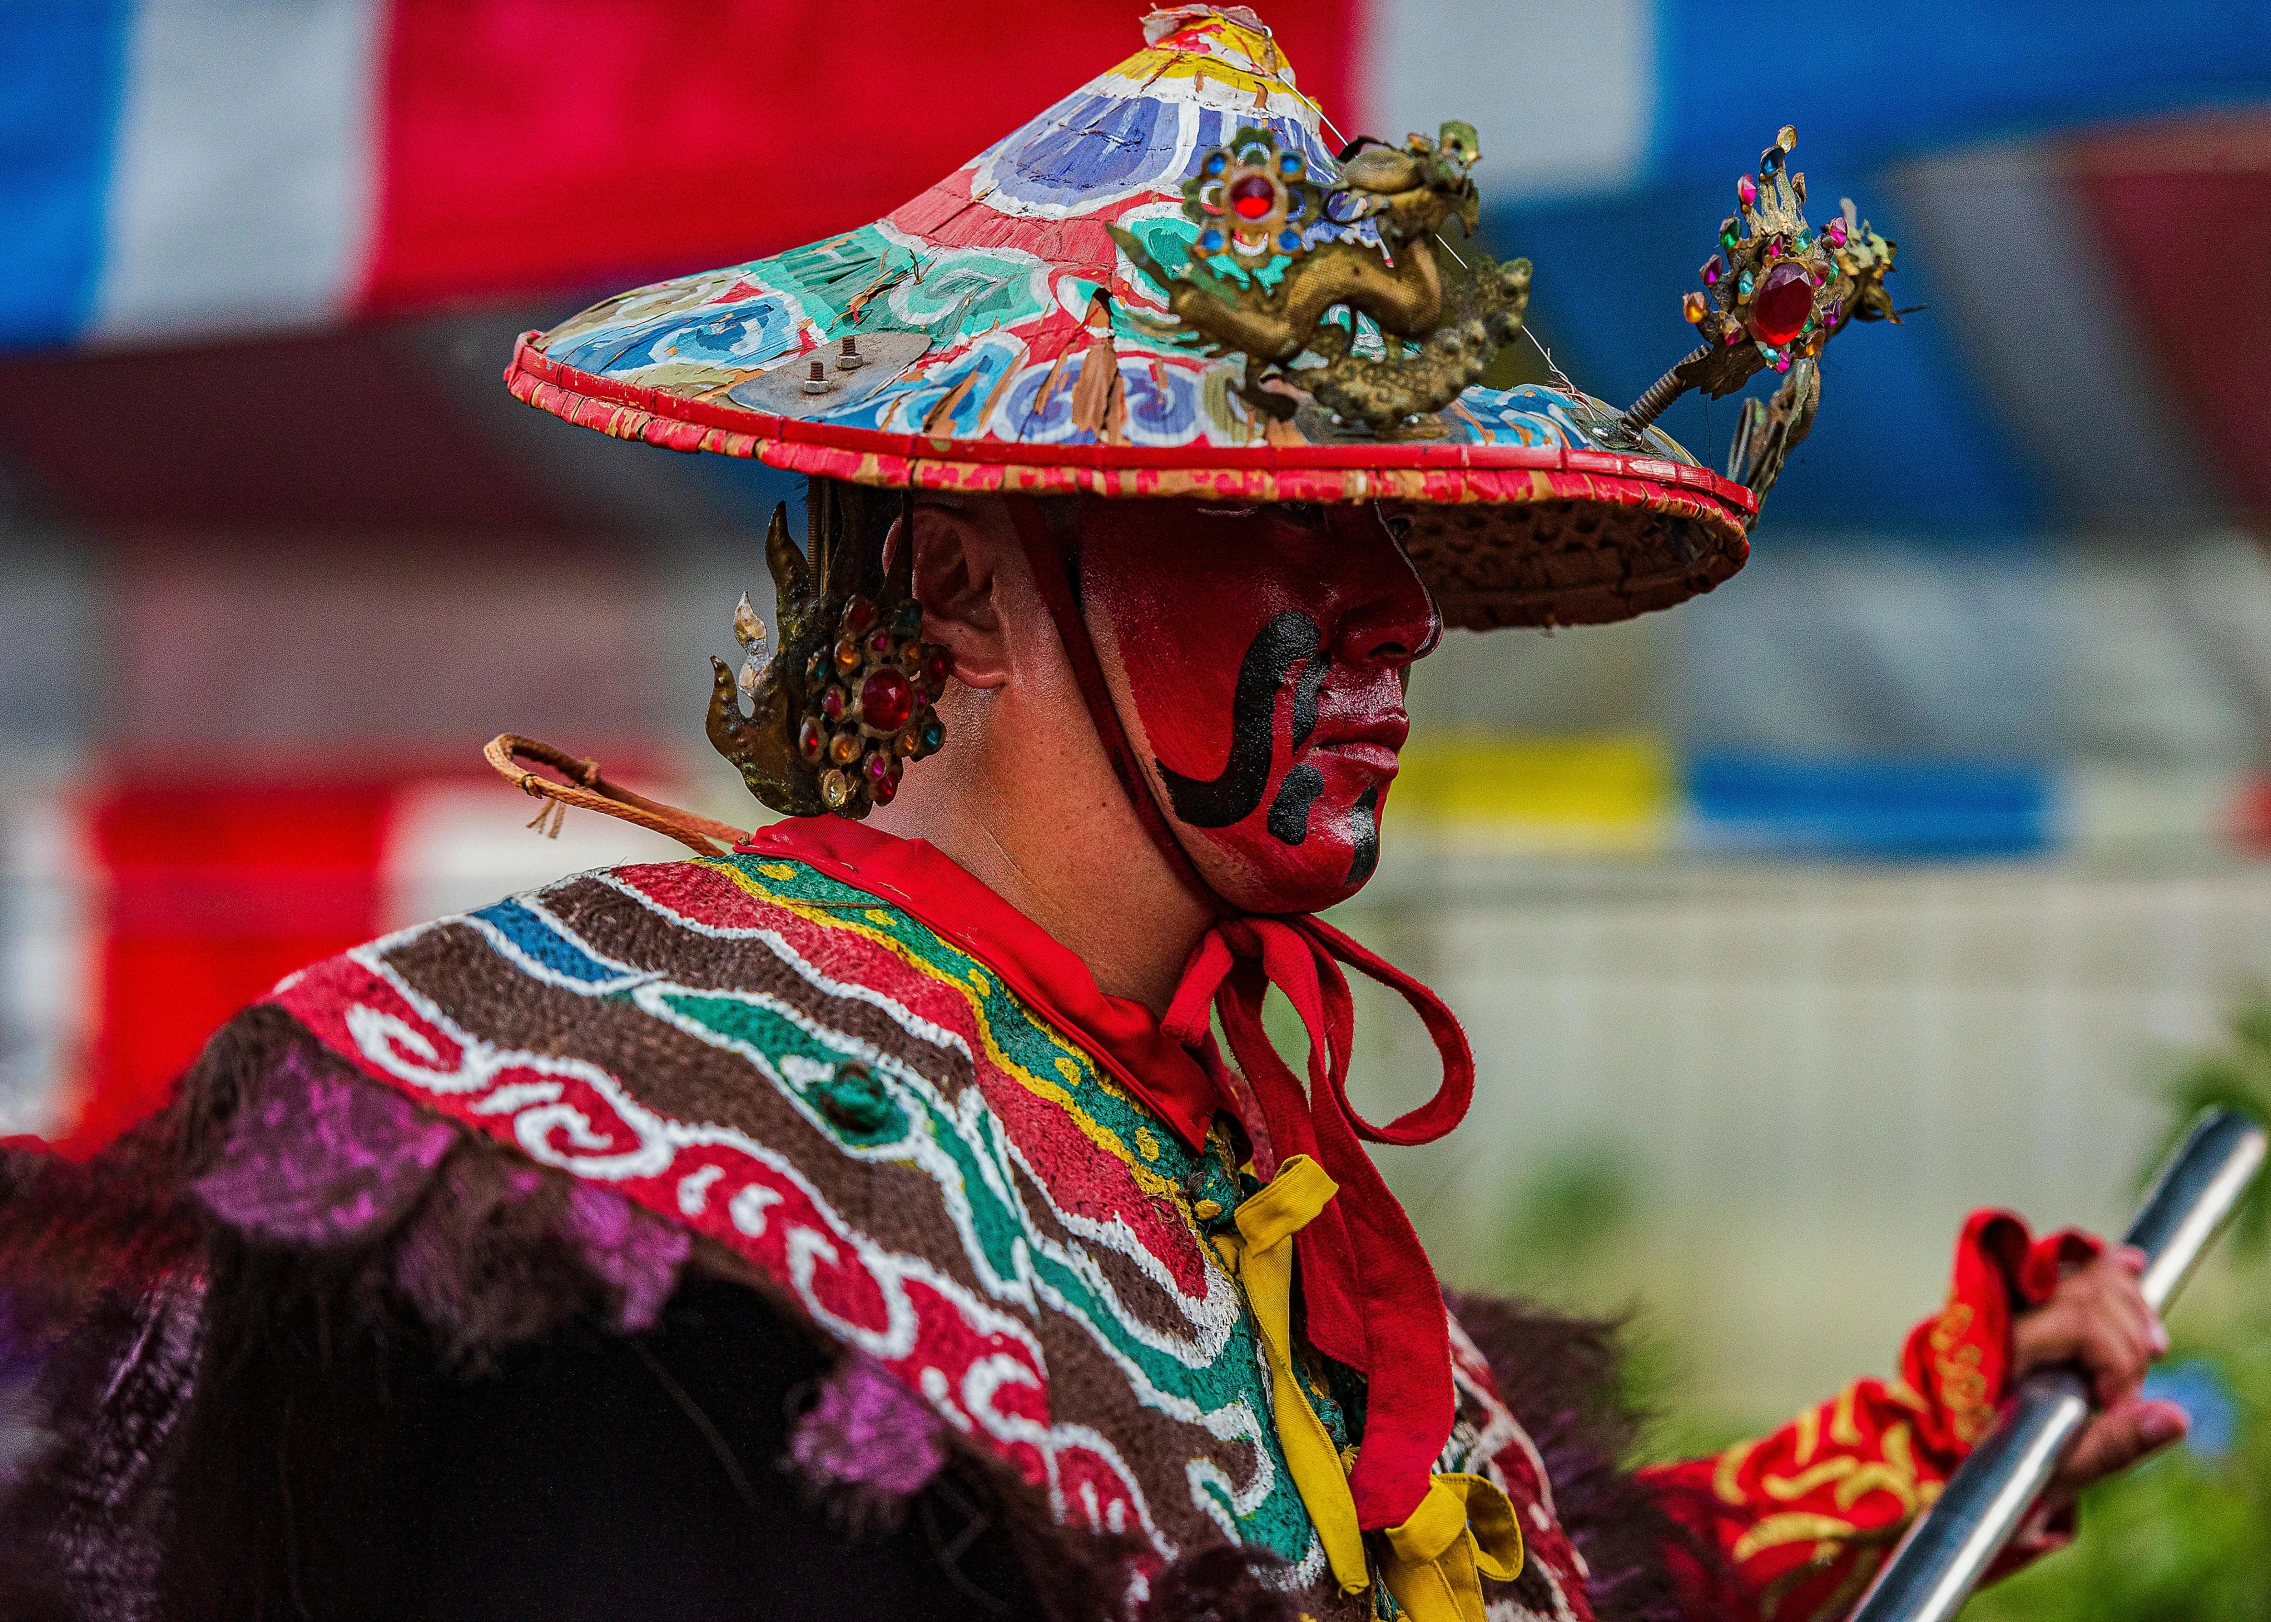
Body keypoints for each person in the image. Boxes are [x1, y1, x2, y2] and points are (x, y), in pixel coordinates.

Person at [0, 9, 2184, 1622]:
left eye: (1393, 534)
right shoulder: (631, 1135)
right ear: (958, 573)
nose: (1388, 615)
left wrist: (1946, 1430)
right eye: (1262, 522)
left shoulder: (1248, 1191)